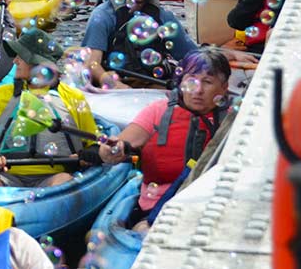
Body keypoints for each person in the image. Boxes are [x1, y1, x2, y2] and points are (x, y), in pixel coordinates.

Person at [99, 49, 231, 230]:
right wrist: (110, 150)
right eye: (191, 80)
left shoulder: (233, 120)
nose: (197, 90)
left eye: (208, 82)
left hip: (209, 209)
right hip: (155, 208)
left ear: (224, 88)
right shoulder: (158, 111)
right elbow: (119, 144)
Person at [0, 29, 98, 188]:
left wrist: (86, 155)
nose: (15, 60)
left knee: (63, 181)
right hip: (7, 176)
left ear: (38, 65)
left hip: (53, 177)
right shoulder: (3, 94)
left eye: (21, 56)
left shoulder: (73, 98)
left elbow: (94, 143)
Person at [81, 0, 196, 88]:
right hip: (112, 86)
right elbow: (91, 63)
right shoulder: (103, 15)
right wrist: (111, 82)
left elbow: (192, 58)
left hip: (153, 84)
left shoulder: (164, 18)